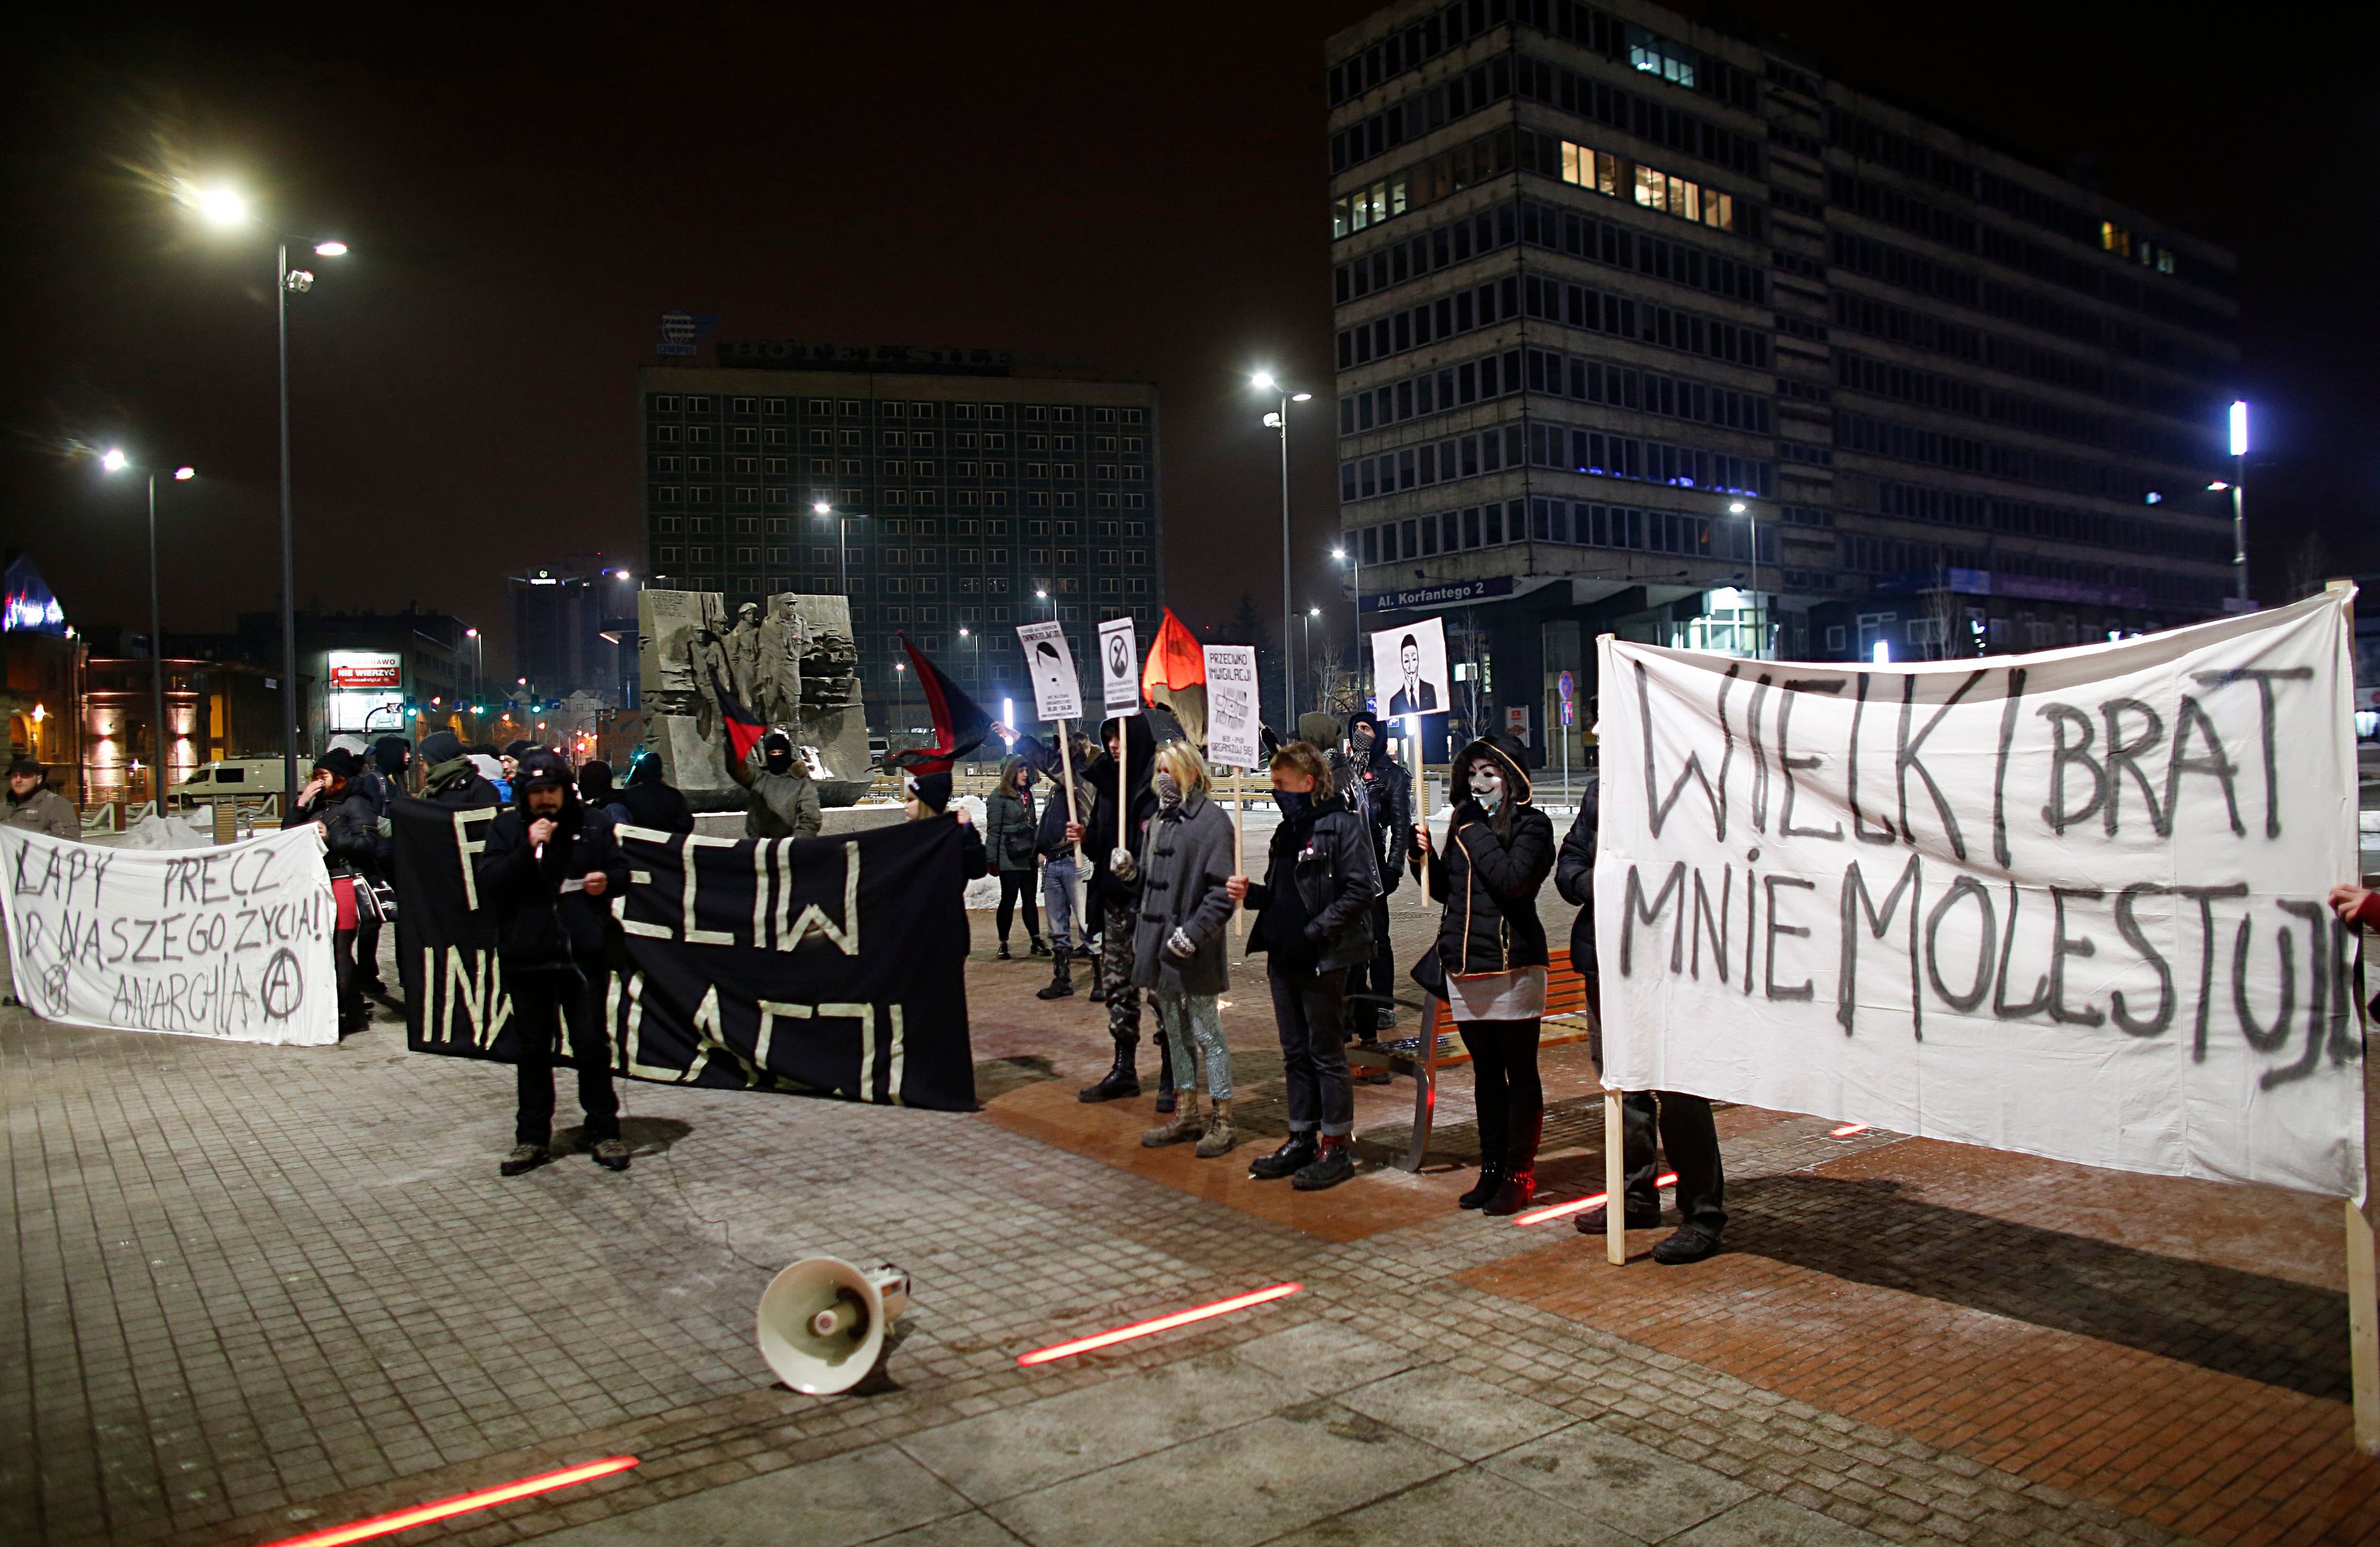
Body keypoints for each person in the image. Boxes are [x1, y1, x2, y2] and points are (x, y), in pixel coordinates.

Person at [1558, 770, 1727, 1261]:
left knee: (1680, 1091)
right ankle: (1635, 1196)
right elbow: (1569, 863)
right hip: (1608, 958)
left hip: (1672, 961)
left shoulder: (1689, 789)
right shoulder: (1603, 789)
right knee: (1623, 1085)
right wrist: (1598, 883)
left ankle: (1702, 1214)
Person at [1227, 741, 1381, 1190]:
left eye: (1281, 783)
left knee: (1325, 1053)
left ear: (1307, 782)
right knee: (1294, 1052)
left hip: (1322, 958)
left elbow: (1361, 891)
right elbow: (1283, 895)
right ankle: (1301, 1135)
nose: (1275, 791)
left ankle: (1336, 1145)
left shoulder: (1341, 827)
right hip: (1284, 955)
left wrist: (1314, 931)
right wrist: (1251, 895)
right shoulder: (1286, 831)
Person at [1413, 731, 1555, 1216]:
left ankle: (1520, 1171)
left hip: (1511, 965)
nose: (1479, 784)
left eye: (1489, 774)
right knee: (1486, 1074)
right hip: (1466, 966)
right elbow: (1453, 892)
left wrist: (1471, 831)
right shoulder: (1462, 824)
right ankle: (1491, 1166)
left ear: (1512, 779)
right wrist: (1423, 862)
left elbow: (1513, 882)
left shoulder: (1533, 827)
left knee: (1519, 1070)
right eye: (1472, 774)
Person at [475, 750, 629, 1176]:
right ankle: (531, 1138)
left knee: (591, 1045)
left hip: (582, 959)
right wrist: (527, 848)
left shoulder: (594, 825)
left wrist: (607, 882)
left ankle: (602, 1129)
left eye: (552, 791)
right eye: (537, 792)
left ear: (566, 791)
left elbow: (621, 871)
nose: (545, 800)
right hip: (528, 958)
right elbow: (491, 883)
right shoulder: (507, 829)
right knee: (533, 1050)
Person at [1122, 742, 1242, 1157]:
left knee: (1208, 1033)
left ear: (1191, 773)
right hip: (1161, 950)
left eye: (1169, 770)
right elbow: (1152, 885)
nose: (1162, 778)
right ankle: (1187, 1110)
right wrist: (1131, 872)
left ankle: (1223, 1117)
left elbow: (1221, 892)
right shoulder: (1158, 820)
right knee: (1175, 1033)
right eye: (1158, 770)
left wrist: (1193, 933)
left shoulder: (1212, 822)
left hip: (1194, 950)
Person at [1072, 713, 1162, 1104]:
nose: (1112, 746)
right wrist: (1087, 839)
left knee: (1163, 994)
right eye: (1108, 738)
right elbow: (1103, 844)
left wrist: (1136, 867)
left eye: (1120, 738)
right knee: (1118, 989)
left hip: (1150, 907)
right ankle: (1124, 1068)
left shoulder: (1158, 783)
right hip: (1114, 904)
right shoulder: (1108, 784)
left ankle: (1176, 1074)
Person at [293, 748, 381, 1037]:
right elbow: (288, 837)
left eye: (323, 776)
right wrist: (301, 804)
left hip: (344, 880)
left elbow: (367, 844)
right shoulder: (320, 804)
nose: (318, 781)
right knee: (329, 948)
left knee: (340, 949)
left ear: (340, 776)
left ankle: (349, 1012)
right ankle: (352, 1008)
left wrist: (331, 837)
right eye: (315, 777)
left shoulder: (355, 804)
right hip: (321, 882)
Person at [1342, 712, 1413, 1038]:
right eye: (1356, 729)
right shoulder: (1342, 772)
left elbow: (1401, 826)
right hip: (1342, 865)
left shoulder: (1392, 775)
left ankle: (1384, 1002)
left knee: (1377, 937)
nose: (1361, 734)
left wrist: (1394, 866)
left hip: (1373, 866)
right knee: (1348, 939)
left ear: (1379, 734)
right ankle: (1354, 1002)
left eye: (1367, 728)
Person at [1034, 731, 1096, 1000]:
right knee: (1057, 928)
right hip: (1054, 863)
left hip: (1075, 860)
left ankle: (1102, 979)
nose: (1057, 758)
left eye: (1062, 752)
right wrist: (1039, 850)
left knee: (1088, 924)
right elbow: (1047, 821)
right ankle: (1062, 978)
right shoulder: (1057, 789)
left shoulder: (1081, 779)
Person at [353, 736, 411, 1001]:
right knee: (373, 918)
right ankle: (367, 973)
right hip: (379, 858)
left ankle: (404, 971)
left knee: (402, 915)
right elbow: (372, 819)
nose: (408, 758)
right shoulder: (373, 780)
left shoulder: (394, 779)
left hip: (395, 856)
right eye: (404, 754)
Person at [984, 756, 1049, 960]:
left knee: (1030, 899)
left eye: (1026, 770)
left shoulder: (1027, 794)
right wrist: (991, 860)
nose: (1025, 774)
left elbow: (1033, 823)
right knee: (1009, 899)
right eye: (1020, 771)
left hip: (1027, 854)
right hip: (1009, 857)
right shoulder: (998, 797)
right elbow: (994, 831)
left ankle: (1036, 940)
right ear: (1010, 773)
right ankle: (1003, 943)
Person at [729, 730, 822, 840]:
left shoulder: (801, 782)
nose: (777, 756)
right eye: (773, 753)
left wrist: (795, 842)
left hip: (789, 847)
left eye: (780, 753)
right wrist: (731, 743)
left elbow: (811, 818)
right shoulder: (759, 777)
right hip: (758, 845)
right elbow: (737, 769)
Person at [905, 770, 989, 879]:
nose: (905, 805)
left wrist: (969, 832)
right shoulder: (907, 834)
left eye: (911, 800)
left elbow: (977, 870)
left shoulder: (953, 833)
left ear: (926, 805)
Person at [417, 731, 503, 809]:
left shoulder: (482, 790)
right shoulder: (429, 792)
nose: (420, 763)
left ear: (436, 758)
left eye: (422, 757)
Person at [615, 754, 695, 834]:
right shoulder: (675, 795)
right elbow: (686, 824)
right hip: (667, 843)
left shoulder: (629, 795)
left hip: (637, 843)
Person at [4, 757, 79, 837]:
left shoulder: (56, 805)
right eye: (14, 776)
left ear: (39, 779)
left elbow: (68, 843)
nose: (18, 780)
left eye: (25, 776)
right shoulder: (5, 807)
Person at [1388, 633, 1439, 716]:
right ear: (1401, 662)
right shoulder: (1395, 700)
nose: (1411, 667)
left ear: (1419, 660)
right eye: (1406, 661)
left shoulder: (1430, 690)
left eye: (1414, 659)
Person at [576, 759, 633, 825]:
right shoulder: (601, 804)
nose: (580, 786)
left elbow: (620, 832)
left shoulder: (614, 809)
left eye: (583, 781)